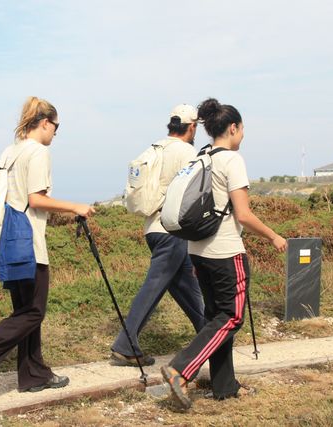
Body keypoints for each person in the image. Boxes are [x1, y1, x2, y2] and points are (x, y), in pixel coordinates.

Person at [0, 96, 95, 401]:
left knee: (24, 309)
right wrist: (76, 207)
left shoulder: (11, 151)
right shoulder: (37, 152)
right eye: (56, 128)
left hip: (8, 240)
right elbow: (36, 199)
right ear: (45, 122)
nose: (55, 134)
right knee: (34, 311)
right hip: (28, 241)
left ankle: (34, 375)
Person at [161, 98, 287, 410]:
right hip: (226, 251)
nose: (242, 135)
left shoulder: (201, 156)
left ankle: (224, 386)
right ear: (232, 128)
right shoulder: (232, 160)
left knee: (214, 317)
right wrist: (274, 236)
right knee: (231, 317)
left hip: (198, 250)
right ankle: (180, 370)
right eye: (242, 129)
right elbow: (243, 215)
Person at [110, 105, 205, 366]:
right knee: (153, 287)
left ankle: (210, 334)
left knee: (185, 286)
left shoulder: (157, 147)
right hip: (172, 231)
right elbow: (191, 196)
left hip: (153, 228)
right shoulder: (187, 152)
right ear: (192, 126)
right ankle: (124, 345)